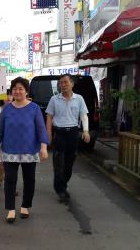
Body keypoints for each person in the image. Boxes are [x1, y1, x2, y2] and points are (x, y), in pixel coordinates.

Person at [0, 77, 49, 223]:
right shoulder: (7, 109)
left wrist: (43, 146)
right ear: (11, 92)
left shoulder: (34, 108)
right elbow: (0, 130)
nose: (17, 91)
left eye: (20, 89)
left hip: (30, 150)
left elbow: (41, 128)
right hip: (10, 150)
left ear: (26, 91)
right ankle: (10, 209)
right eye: (14, 89)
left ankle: (25, 206)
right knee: (10, 180)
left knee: (29, 180)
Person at [45, 74, 90, 203]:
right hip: (59, 133)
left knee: (69, 164)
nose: (63, 85)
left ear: (72, 84)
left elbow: (84, 115)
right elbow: (49, 117)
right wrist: (48, 134)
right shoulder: (54, 99)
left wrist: (86, 131)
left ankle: (62, 184)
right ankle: (60, 190)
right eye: (61, 83)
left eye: (65, 82)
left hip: (73, 133)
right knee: (58, 163)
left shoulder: (79, 99)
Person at [0, 90, 13, 189]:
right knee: (0, 164)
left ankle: (10, 187)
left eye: (10, 95)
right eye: (6, 95)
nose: (9, 97)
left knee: (11, 165)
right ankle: (0, 178)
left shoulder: (16, 109)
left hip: (12, 141)